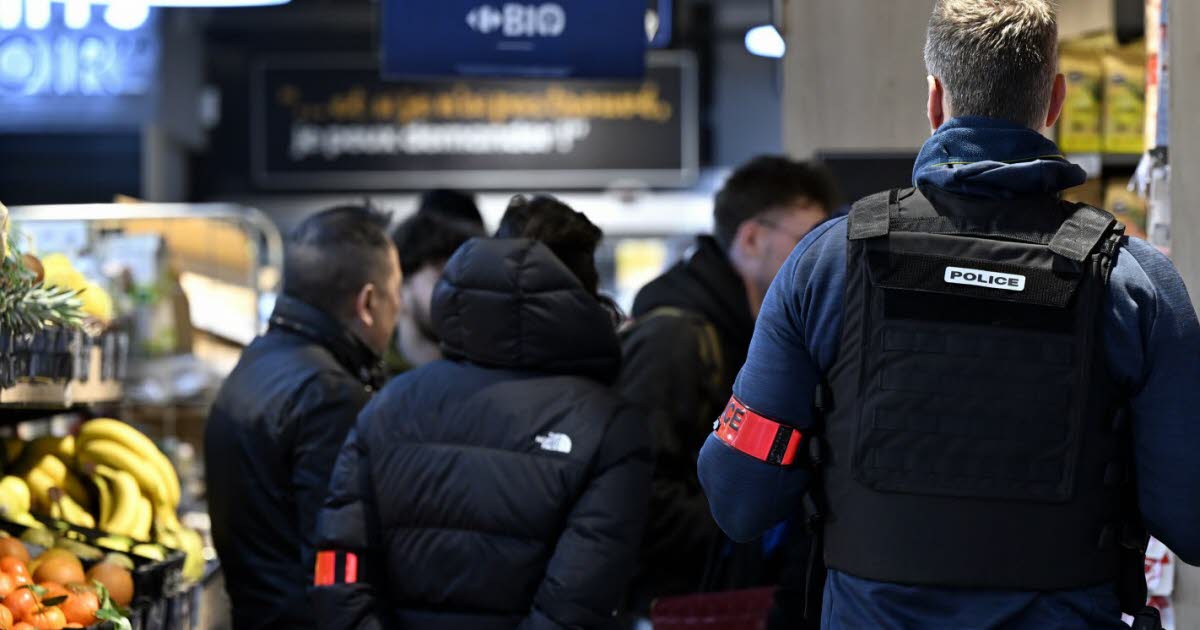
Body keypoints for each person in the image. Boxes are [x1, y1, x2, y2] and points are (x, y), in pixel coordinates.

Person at [698, 1, 1200, 629]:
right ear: (1055, 101)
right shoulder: (1138, 285)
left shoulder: (827, 265)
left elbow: (739, 497)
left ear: (935, 99)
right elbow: (1190, 518)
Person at [311, 195, 653, 630]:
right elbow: (576, 608)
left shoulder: (389, 403)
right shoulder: (611, 426)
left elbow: (337, 570)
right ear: (585, 295)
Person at [618, 155, 834, 613]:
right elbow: (637, 499)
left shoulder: (751, 336)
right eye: (805, 240)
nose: (817, 259)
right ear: (752, 238)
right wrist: (750, 515)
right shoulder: (676, 337)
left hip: (721, 598)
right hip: (672, 604)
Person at [205, 205, 401, 630]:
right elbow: (339, 571)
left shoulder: (254, 363)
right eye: (395, 296)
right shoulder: (330, 396)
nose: (398, 312)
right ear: (368, 302)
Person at [389, 212, 484, 369]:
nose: (459, 291)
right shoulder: (377, 381)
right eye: (442, 277)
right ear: (400, 287)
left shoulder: (482, 373)